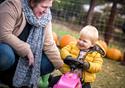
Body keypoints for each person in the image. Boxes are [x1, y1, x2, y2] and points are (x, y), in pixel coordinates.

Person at [0, 0, 64, 88]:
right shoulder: (12, 5)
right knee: (6, 53)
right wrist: (26, 49)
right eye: (44, 7)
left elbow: (49, 45)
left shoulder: (45, 17)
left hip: (23, 62)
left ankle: (15, 81)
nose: (46, 11)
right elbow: (3, 34)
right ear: (33, 2)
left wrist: (63, 67)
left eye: (49, 7)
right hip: (8, 55)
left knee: (49, 62)